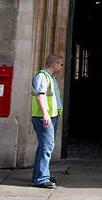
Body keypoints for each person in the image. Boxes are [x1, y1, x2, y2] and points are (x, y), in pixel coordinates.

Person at [31, 54, 63, 188]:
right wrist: (45, 115)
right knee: (46, 147)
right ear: (54, 64)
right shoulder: (42, 76)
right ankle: (41, 179)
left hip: (52, 116)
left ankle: (40, 174)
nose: (61, 67)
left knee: (44, 147)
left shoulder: (51, 78)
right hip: (44, 117)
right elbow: (40, 96)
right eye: (60, 64)